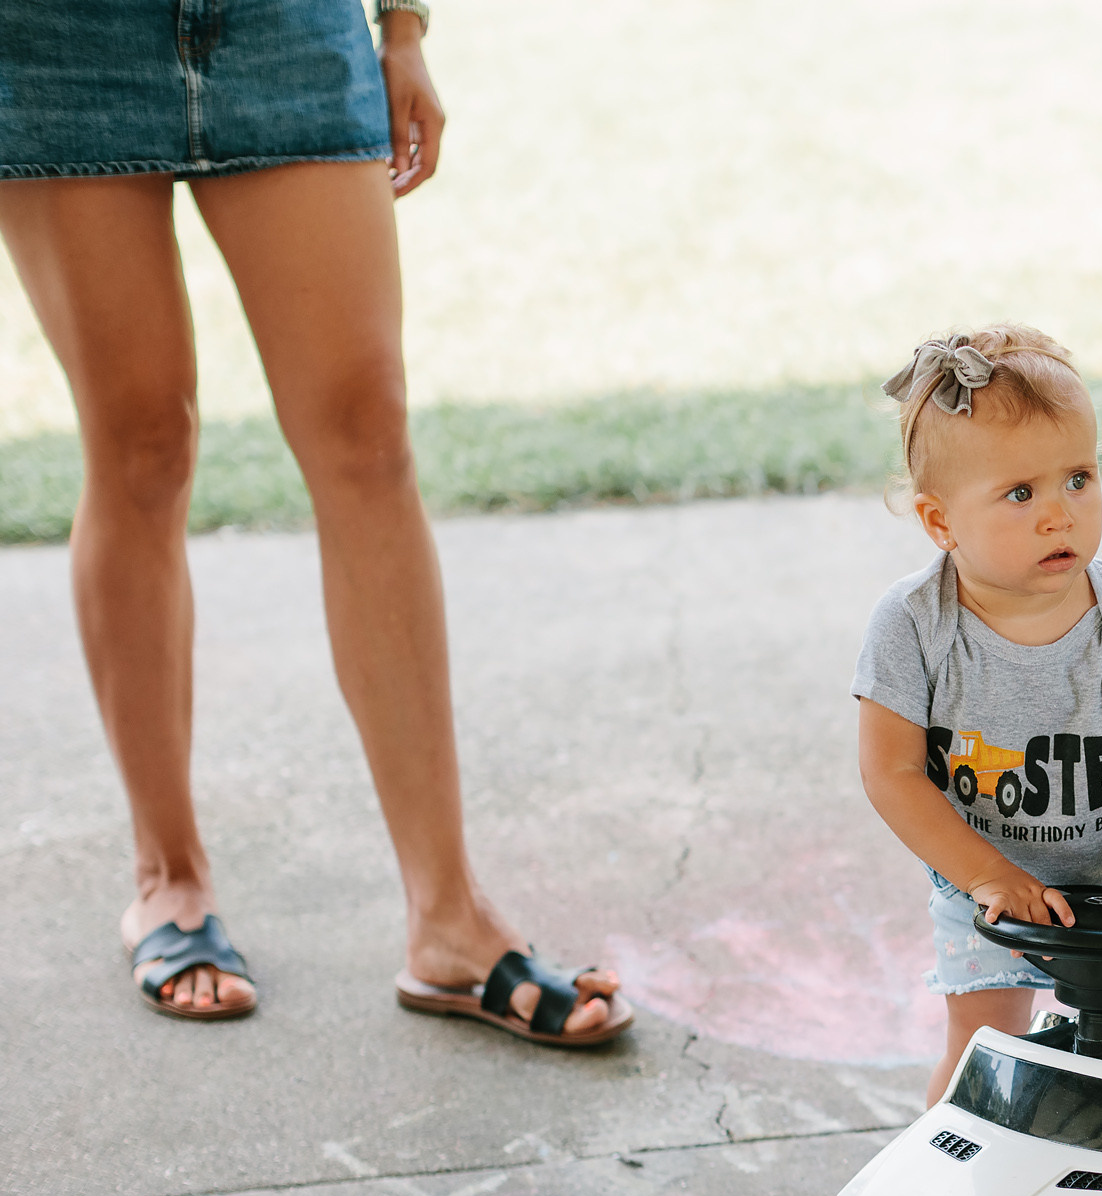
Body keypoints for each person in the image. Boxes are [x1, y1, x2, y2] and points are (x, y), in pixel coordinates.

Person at [0, 0, 630, 1044]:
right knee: (140, 445)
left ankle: (447, 920)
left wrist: (404, 24)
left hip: (285, 24)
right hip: (61, 36)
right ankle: (169, 880)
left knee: (366, 439)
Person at [852, 327, 1102, 1102]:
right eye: (1020, 493)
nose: (1059, 514)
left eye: (1079, 478)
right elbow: (891, 773)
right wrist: (986, 874)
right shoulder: (910, 624)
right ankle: (937, 1181)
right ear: (941, 522)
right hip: (990, 874)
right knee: (981, 1052)